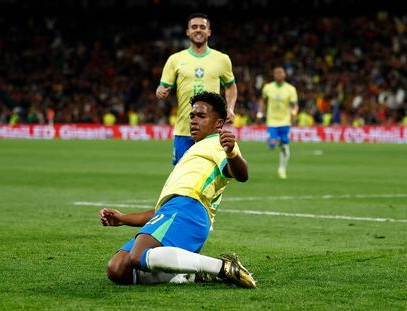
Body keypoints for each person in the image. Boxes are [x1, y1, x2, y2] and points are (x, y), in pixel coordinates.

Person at [100, 91, 256, 289]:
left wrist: (232, 152)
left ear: (218, 123)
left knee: (138, 255)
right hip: (175, 211)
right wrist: (123, 219)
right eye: (191, 116)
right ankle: (185, 274)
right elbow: (162, 213)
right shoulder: (193, 151)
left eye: (201, 116)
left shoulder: (217, 143)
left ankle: (223, 267)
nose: (193, 121)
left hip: (189, 211)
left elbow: (242, 174)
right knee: (118, 268)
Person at [156, 13, 237, 165]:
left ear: (209, 32)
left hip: (211, 132)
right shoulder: (175, 59)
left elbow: (231, 85)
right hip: (184, 130)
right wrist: (160, 91)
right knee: (181, 179)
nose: (198, 30)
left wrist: (231, 108)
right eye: (194, 27)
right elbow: (163, 86)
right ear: (188, 32)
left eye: (202, 27)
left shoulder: (222, 59)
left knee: (212, 177)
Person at [257, 67, 298, 179]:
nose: (279, 75)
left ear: (284, 75)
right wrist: (259, 114)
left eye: (281, 73)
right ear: (274, 75)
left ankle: (282, 169)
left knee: (285, 147)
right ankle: (275, 141)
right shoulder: (268, 88)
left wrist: (294, 112)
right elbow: (262, 101)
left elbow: (294, 105)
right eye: (276, 73)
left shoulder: (290, 89)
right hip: (272, 121)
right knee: (272, 144)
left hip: (285, 121)